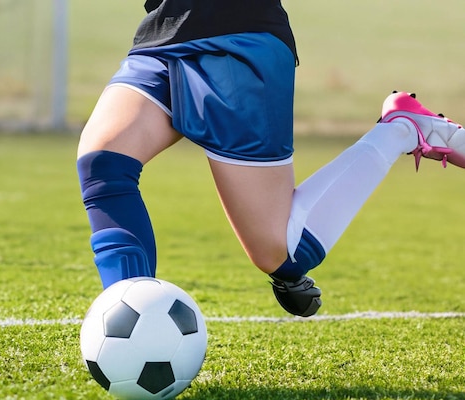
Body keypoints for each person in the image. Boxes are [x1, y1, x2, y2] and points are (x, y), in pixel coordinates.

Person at [76, 1, 465, 317]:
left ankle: (402, 128)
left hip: (238, 37)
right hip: (161, 33)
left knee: (282, 252)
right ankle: (133, 320)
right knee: (103, 162)